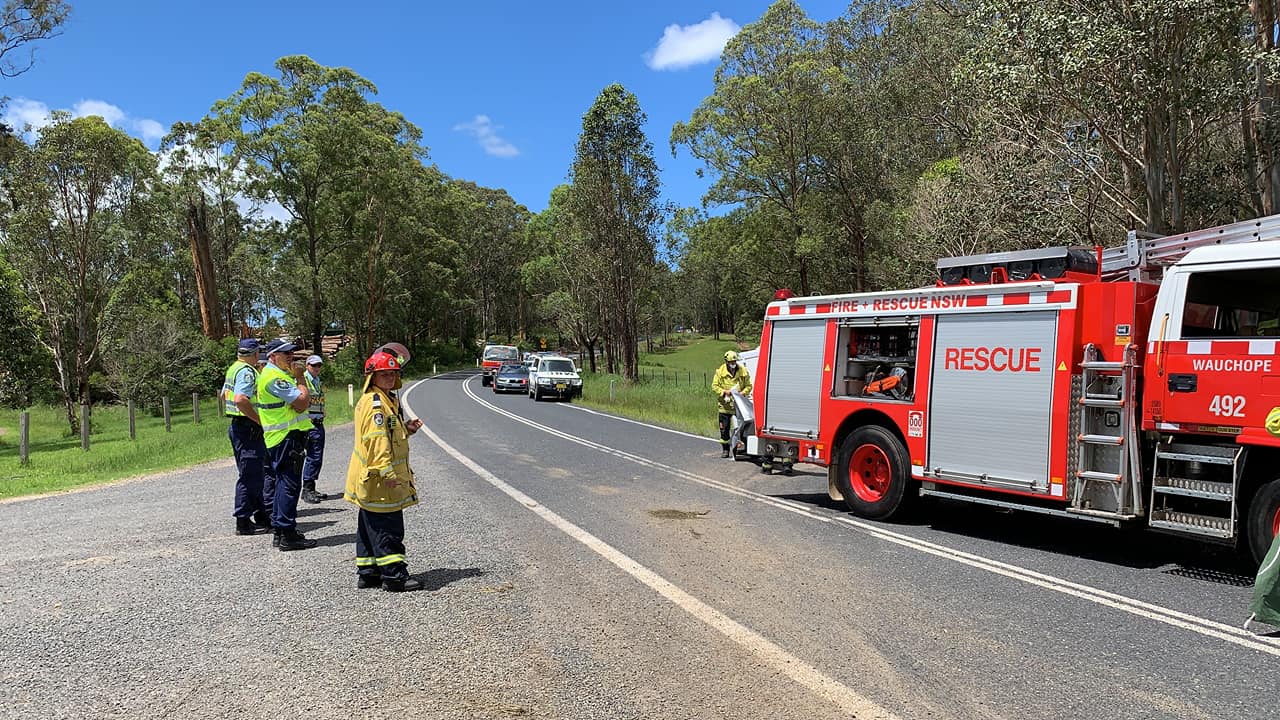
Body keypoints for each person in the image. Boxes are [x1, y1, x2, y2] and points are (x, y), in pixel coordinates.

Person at [345, 348, 423, 592]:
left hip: (371, 479)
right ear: (372, 377)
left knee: (369, 526)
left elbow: (389, 436)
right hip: (381, 480)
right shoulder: (376, 405)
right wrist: (388, 475)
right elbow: (377, 442)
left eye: (392, 373)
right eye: (384, 374)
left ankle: (368, 573)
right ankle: (394, 576)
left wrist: (406, 429)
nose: (389, 377)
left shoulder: (385, 400)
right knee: (388, 527)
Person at [257, 339, 317, 551]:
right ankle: (287, 534)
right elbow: (301, 404)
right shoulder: (274, 377)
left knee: (283, 484)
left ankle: (281, 531)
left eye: (292, 352)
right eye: (285, 353)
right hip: (285, 438)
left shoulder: (279, 375)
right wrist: (301, 378)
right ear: (272, 356)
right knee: (288, 486)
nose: (291, 356)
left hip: (283, 438)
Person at [220, 338, 271, 536]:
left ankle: (260, 515)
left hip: (238, 426)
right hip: (248, 427)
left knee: (254, 472)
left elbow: (224, 395)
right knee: (251, 474)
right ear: (255, 354)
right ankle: (243, 519)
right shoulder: (247, 372)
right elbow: (241, 399)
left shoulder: (233, 368)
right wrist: (258, 420)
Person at [712, 350, 752, 459]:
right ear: (726, 361)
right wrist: (725, 392)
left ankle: (739, 449)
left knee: (739, 428)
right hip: (724, 407)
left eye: (734, 361)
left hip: (738, 407)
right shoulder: (720, 372)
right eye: (731, 362)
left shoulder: (743, 371)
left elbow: (749, 386)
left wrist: (742, 393)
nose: (733, 363)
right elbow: (714, 386)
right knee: (724, 429)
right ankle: (725, 449)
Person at [300, 354, 326, 504]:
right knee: (313, 456)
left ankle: (311, 487)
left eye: (319, 366)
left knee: (317, 456)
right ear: (307, 365)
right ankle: (307, 490)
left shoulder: (316, 381)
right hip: (308, 423)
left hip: (318, 421)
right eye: (313, 365)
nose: (316, 368)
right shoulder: (303, 380)